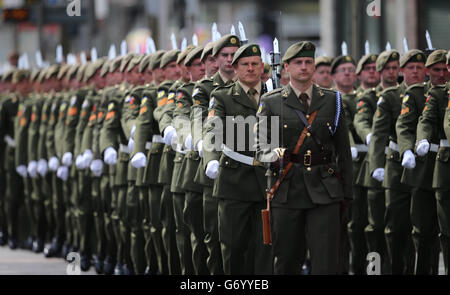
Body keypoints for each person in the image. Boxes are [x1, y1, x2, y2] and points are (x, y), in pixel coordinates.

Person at [256, 41, 353, 274]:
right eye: (298, 63)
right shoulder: (271, 101)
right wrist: (274, 155)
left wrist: (347, 193)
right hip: (287, 189)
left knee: (327, 262)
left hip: (325, 189)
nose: (304, 67)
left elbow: (343, 151)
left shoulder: (333, 100)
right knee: (287, 261)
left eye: (308, 62)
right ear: (286, 67)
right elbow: (259, 146)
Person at [203, 43, 272, 275]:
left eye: (255, 64)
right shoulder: (222, 96)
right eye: (245, 64)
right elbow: (212, 128)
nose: (251, 69)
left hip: (267, 181)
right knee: (233, 246)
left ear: (262, 66)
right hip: (234, 181)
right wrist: (211, 158)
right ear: (235, 67)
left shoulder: (275, 95)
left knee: (265, 247)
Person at [396, 49, 448, 274]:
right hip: (424, 168)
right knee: (423, 230)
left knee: (443, 229)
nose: (441, 74)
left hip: (443, 165)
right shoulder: (420, 94)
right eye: (436, 70)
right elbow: (408, 125)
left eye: (443, 69)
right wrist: (409, 149)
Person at [354, 49, 400, 274]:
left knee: (399, 226)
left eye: (395, 67)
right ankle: (374, 269)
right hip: (376, 167)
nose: (392, 72)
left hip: (400, 168)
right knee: (375, 225)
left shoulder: (405, 94)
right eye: (387, 68)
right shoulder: (370, 97)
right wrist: (371, 135)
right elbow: (361, 120)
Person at [416, 50, 450, 274]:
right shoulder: (440, 94)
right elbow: (425, 120)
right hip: (447, 169)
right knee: (447, 231)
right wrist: (422, 140)